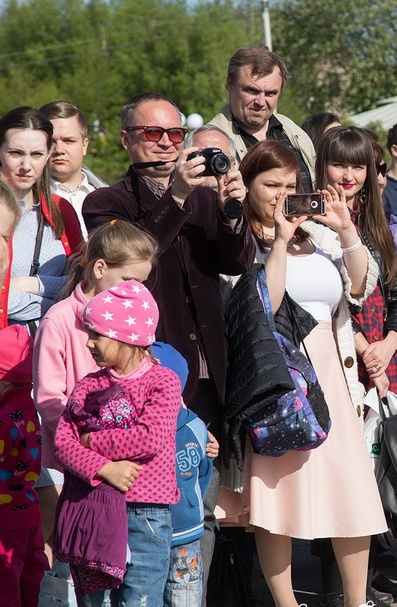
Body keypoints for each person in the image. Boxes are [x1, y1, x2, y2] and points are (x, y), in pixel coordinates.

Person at [82, 91, 254, 590]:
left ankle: (204, 596)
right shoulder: (106, 203)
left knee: (208, 499)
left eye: (174, 135)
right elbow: (134, 271)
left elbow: (237, 263)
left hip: (207, 370)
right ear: (126, 140)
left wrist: (231, 211)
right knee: (155, 506)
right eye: (151, 134)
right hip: (143, 378)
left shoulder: (203, 197)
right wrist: (176, 198)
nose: (164, 144)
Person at [223, 139, 385, 607]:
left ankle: (358, 599)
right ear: (248, 184)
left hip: (332, 371)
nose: (281, 194)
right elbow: (263, 305)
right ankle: (286, 602)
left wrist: (346, 228)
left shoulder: (319, 234)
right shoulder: (240, 239)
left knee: (350, 487)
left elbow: (359, 286)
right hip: (279, 377)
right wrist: (276, 238)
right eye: (270, 184)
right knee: (280, 495)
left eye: (291, 185)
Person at [314, 126, 397, 602]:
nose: (349, 174)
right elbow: (322, 297)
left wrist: (391, 341)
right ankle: (339, 590)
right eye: (340, 164)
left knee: (380, 472)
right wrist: (358, 341)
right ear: (322, 166)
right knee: (343, 473)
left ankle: (365, 581)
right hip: (339, 354)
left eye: (358, 165)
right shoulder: (311, 219)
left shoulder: (377, 217)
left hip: (383, 355)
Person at [53, 280, 180, 607]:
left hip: (145, 515)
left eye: (97, 335)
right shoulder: (88, 386)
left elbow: (150, 437)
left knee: (139, 599)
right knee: (94, 601)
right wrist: (104, 468)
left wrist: (92, 439)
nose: (89, 343)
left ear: (127, 337)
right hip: (93, 509)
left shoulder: (162, 381)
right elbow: (63, 443)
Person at [0, 106, 84, 329]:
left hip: (54, 351)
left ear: (48, 155)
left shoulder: (61, 209)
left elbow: (85, 286)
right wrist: (56, 304)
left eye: (36, 154)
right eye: (15, 153)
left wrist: (32, 284)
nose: (26, 166)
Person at [149, 342, 216, 607]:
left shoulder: (195, 426)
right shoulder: (140, 426)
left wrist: (190, 503)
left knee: (182, 598)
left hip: (185, 533)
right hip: (155, 531)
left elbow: (204, 473)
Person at [208, 45, 317, 192]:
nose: (260, 102)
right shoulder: (209, 142)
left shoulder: (294, 133)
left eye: (270, 93)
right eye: (252, 90)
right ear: (229, 84)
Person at [0, 325, 46, 607]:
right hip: (29, 511)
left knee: (4, 591)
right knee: (28, 586)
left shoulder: (3, 419)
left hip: (4, 519)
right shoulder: (28, 409)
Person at [39, 101, 107, 237]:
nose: (59, 150)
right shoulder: (24, 202)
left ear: (84, 145)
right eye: (51, 142)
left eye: (69, 141)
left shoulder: (109, 200)